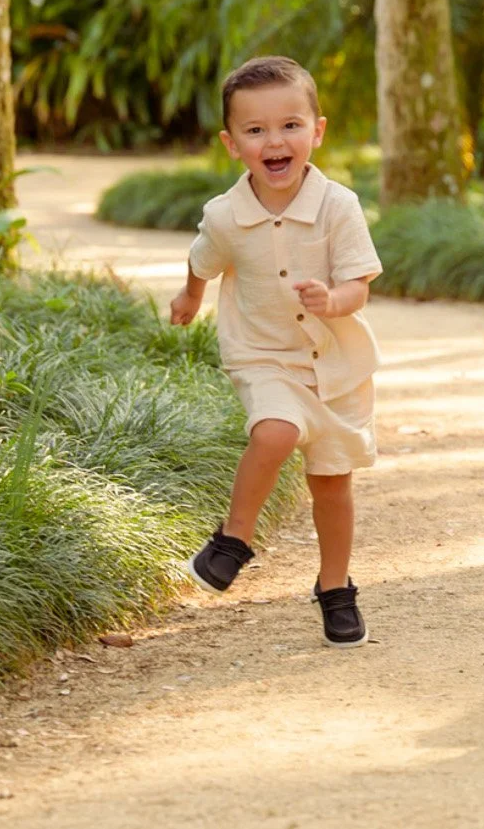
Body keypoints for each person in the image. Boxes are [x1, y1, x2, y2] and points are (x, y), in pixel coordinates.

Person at [171, 56, 382, 646]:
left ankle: (335, 586)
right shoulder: (225, 217)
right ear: (231, 144)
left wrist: (333, 300)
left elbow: (359, 283)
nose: (275, 141)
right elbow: (201, 260)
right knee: (275, 430)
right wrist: (190, 298)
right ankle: (233, 539)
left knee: (332, 483)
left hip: (337, 368)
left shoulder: (339, 206)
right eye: (255, 130)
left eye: (290, 125)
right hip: (264, 356)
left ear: (317, 130)